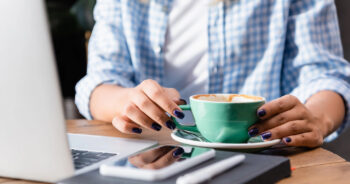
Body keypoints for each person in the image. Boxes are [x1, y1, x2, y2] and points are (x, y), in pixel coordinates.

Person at [75, 0, 350, 148]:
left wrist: (319, 118)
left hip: (265, 159)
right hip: (154, 156)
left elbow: (325, 75)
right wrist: (129, 101)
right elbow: (99, 82)